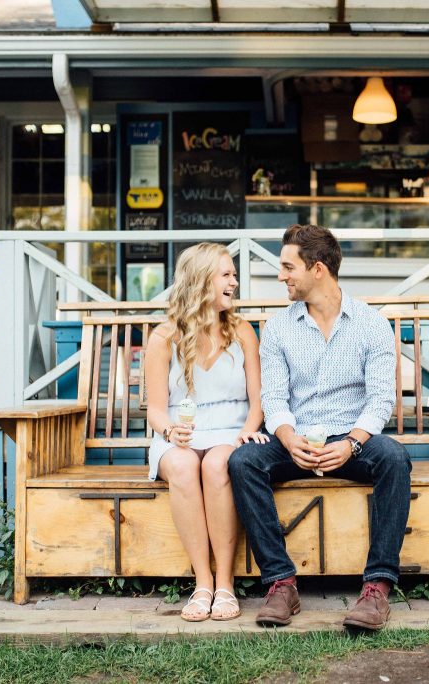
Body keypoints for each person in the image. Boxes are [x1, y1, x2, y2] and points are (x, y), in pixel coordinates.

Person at [228, 224, 412, 632]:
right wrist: (288, 438)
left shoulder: (370, 323)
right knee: (243, 462)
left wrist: (352, 442)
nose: (281, 276)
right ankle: (280, 583)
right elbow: (273, 398)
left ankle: (378, 587)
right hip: (298, 441)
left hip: (352, 444)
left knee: (395, 458)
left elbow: (381, 399)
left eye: (288, 267)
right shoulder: (278, 328)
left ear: (318, 269)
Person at [144, 242, 269, 622]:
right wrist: (169, 432)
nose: (234, 282)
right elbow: (155, 409)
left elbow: (259, 399)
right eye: (226, 275)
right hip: (181, 434)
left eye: (233, 275)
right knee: (182, 465)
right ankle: (203, 582)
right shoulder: (164, 336)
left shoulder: (243, 331)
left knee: (217, 466)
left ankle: (226, 583)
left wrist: (248, 431)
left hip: (231, 432)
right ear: (200, 281)